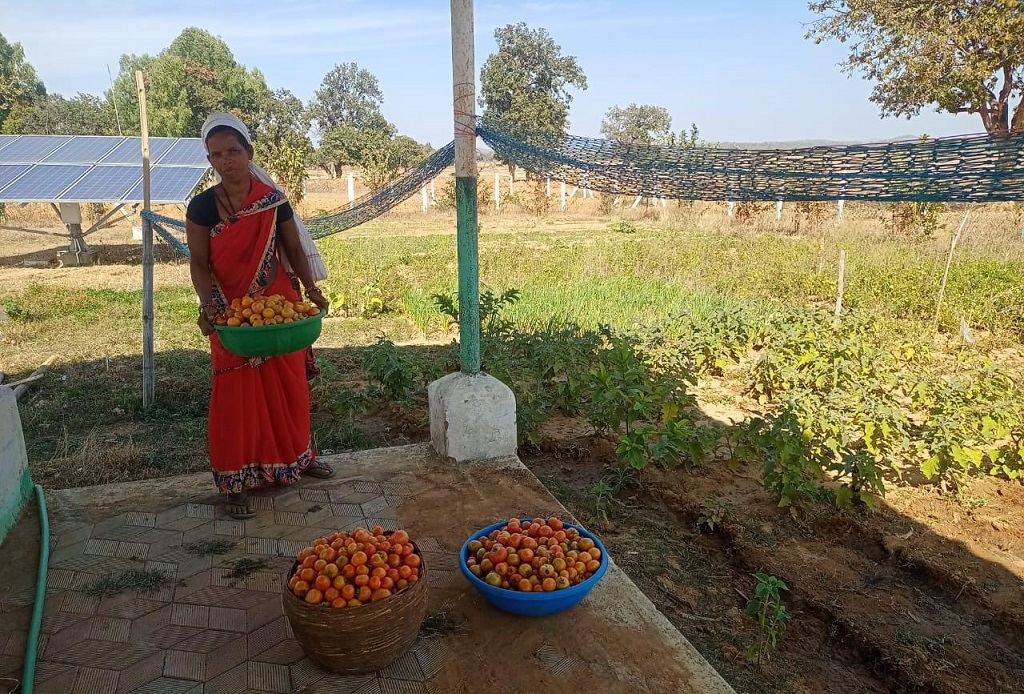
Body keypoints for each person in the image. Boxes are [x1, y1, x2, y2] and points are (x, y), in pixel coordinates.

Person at [185, 112, 333, 519]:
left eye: (233, 150)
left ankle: (298, 459)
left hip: (279, 308)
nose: (226, 160)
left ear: (249, 152)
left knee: (289, 386)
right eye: (217, 154)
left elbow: (294, 249)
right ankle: (235, 481)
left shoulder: (272, 200)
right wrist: (208, 307)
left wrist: (314, 291)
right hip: (233, 314)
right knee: (236, 396)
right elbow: (199, 262)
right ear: (210, 160)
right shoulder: (201, 207)